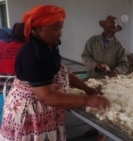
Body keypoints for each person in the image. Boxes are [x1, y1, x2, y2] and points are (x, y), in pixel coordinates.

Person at [0, 5, 110, 141]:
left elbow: (62, 71)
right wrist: (87, 100)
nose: (60, 33)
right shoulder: (33, 53)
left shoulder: (50, 45)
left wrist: (86, 88)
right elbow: (46, 97)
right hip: (30, 113)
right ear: (38, 28)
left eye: (61, 28)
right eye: (55, 28)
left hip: (46, 109)